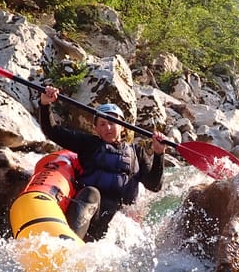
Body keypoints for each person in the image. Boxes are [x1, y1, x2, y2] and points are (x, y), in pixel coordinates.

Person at [38, 85, 166, 242]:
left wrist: (159, 154)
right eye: (102, 124)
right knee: (91, 192)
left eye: (112, 122)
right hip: (90, 213)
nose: (108, 128)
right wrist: (45, 104)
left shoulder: (137, 152)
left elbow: (155, 186)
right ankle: (72, 246)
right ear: (96, 129)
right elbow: (52, 131)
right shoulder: (88, 144)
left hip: (118, 220)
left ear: (122, 126)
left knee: (117, 215)